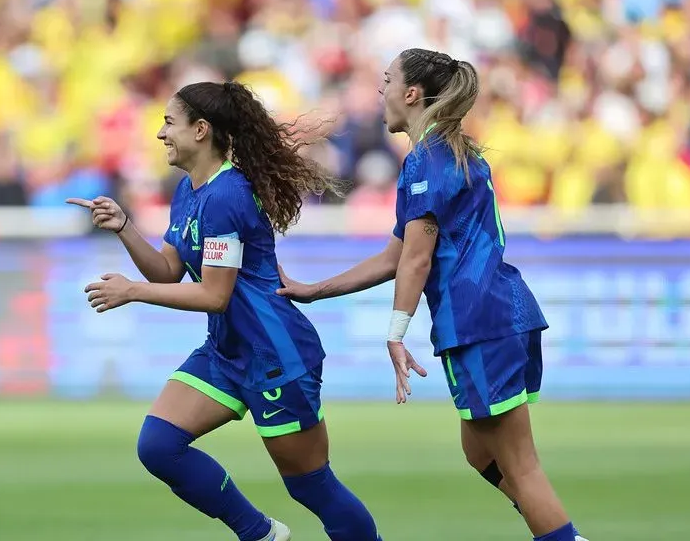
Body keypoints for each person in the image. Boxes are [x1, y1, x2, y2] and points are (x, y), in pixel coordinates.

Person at [276, 48, 588, 541]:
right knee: (481, 453)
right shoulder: (450, 152)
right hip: (500, 315)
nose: (380, 91)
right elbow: (393, 258)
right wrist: (315, 290)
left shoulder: (426, 162)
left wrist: (396, 334)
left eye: (387, 80)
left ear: (412, 93)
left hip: (479, 323)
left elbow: (417, 259)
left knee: (520, 467)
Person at [67, 81, 382, 541]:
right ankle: (260, 534)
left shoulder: (227, 196)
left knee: (313, 489)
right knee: (159, 445)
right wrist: (125, 228)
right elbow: (169, 270)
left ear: (200, 130)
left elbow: (215, 295)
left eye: (168, 122)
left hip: (275, 357)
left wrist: (132, 291)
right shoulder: (190, 191)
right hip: (228, 351)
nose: (160, 134)